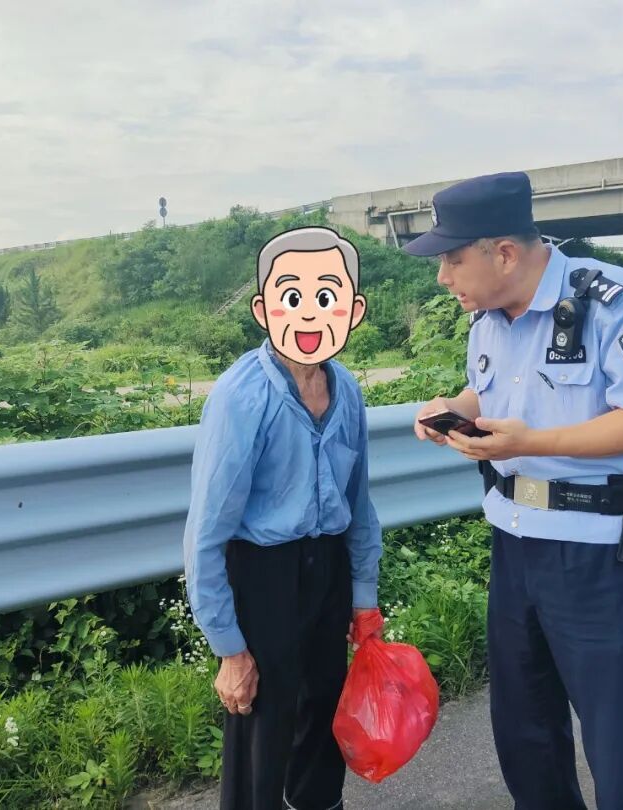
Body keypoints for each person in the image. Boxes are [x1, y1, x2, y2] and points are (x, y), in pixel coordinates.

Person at [405, 172, 623, 810]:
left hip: (600, 554)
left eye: (452, 260)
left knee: (619, 737)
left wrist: (532, 442)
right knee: (524, 731)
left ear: (503, 253)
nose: (443, 278)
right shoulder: (486, 319)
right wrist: (454, 409)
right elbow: (491, 391)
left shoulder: (613, 301)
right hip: (514, 542)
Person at [183, 226, 383, 810]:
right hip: (264, 572)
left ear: (353, 311)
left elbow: (359, 504)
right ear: (262, 309)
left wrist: (363, 598)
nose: (309, 314)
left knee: (324, 712)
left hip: (328, 568)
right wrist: (229, 649)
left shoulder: (346, 390)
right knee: (263, 722)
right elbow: (207, 533)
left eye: (327, 297)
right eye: (292, 297)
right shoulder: (241, 396)